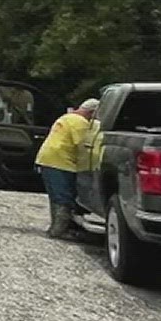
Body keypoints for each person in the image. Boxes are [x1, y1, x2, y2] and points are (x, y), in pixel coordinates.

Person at [35, 98, 101, 239]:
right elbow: (83, 146)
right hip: (61, 162)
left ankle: (55, 228)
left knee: (56, 196)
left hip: (47, 159)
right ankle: (59, 231)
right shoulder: (80, 123)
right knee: (64, 197)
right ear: (92, 112)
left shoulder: (67, 117)